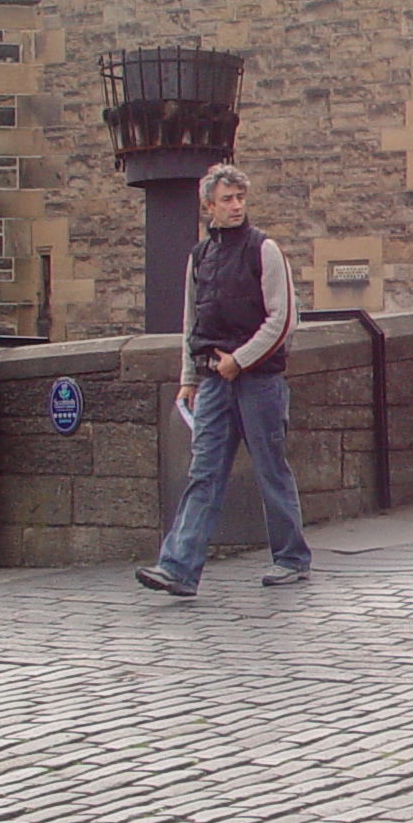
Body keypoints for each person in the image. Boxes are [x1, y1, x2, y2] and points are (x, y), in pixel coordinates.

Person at [136, 164, 312, 596]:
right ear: (209, 205)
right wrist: (189, 378)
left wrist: (242, 359)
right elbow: (191, 323)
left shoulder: (263, 249)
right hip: (214, 380)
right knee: (204, 473)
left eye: (240, 198)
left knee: (271, 469)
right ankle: (178, 566)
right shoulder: (199, 257)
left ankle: (291, 558)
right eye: (227, 199)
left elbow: (283, 319)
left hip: (259, 380)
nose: (236, 206)